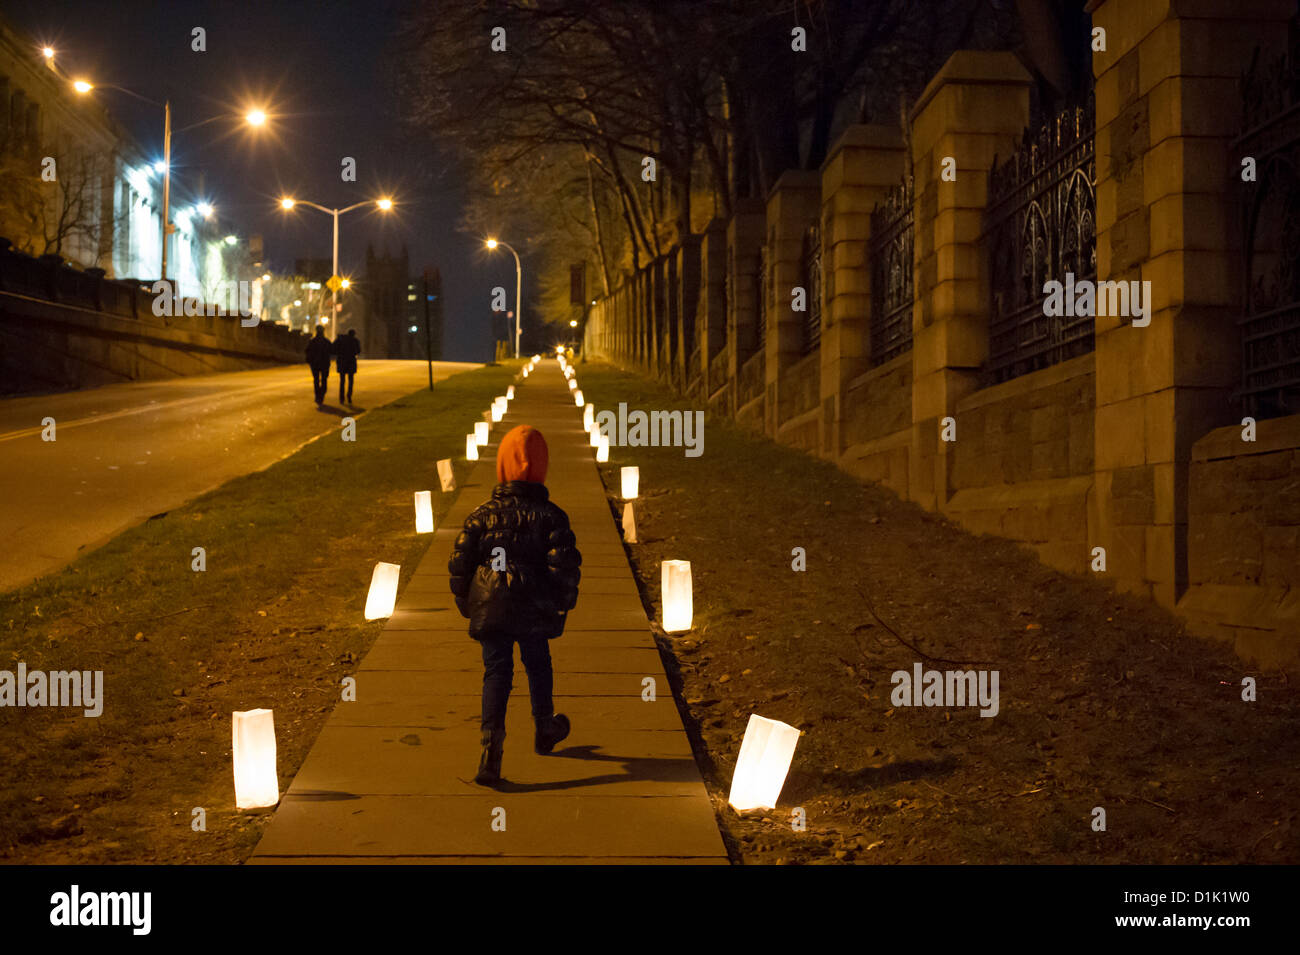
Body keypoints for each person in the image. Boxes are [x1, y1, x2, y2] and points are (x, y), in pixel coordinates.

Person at [448, 424, 582, 786]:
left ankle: (491, 749)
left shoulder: (480, 517)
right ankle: (544, 727)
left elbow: (460, 564)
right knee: (538, 665)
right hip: (534, 606)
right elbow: (563, 566)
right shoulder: (552, 516)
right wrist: (562, 603)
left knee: (497, 672)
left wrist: (468, 601)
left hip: (492, 606)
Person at [305, 325, 332, 405]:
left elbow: (307, 351)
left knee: (316, 380)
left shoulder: (313, 341)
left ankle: (318, 395)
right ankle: (321, 394)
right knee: (324, 380)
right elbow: (332, 351)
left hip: (315, 364)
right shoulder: (326, 341)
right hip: (324, 364)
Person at [334, 328, 361, 405]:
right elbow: (358, 350)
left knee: (342, 381)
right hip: (351, 362)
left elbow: (334, 349)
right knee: (350, 380)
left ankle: (341, 398)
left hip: (342, 362)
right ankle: (349, 396)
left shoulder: (341, 340)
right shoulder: (355, 341)